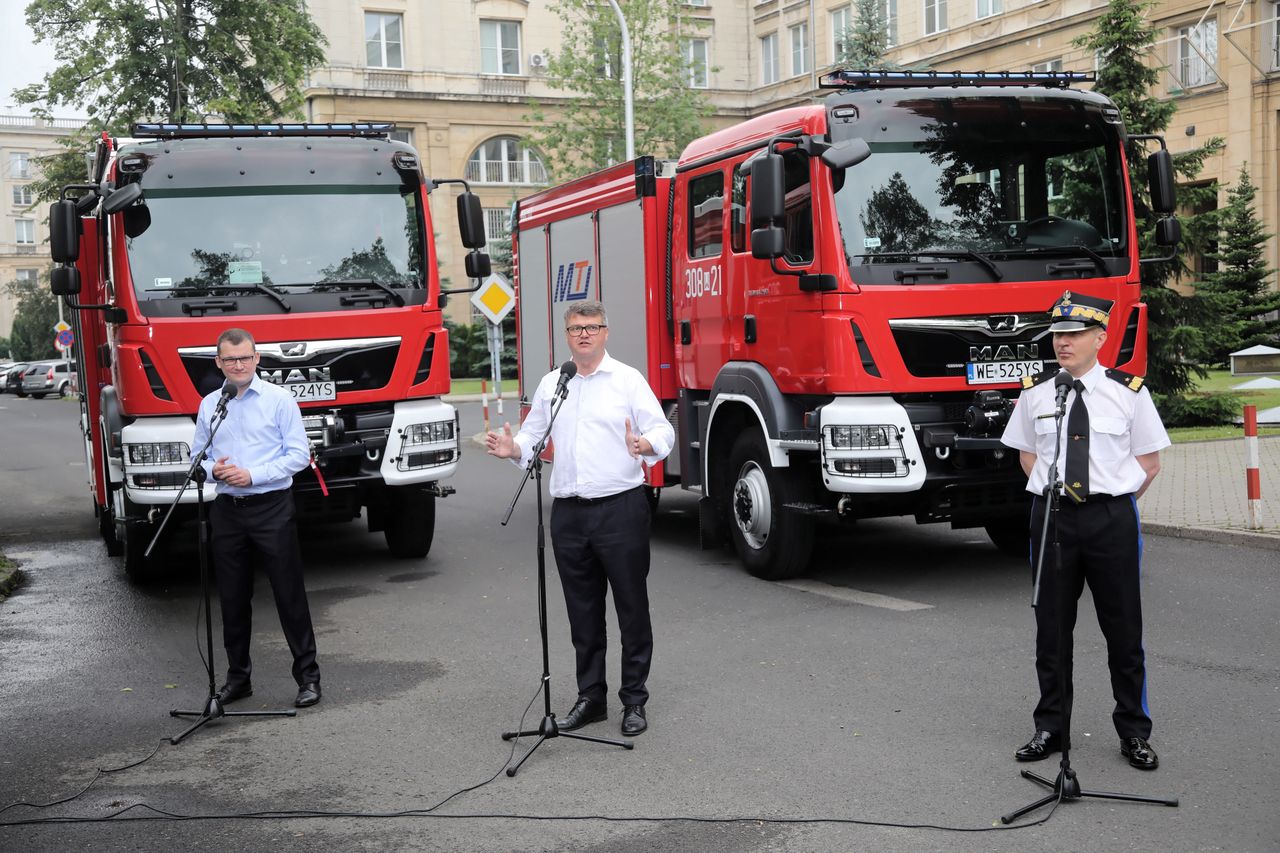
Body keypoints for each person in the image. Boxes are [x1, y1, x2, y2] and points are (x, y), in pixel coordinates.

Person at [486, 300, 674, 736]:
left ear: (606, 332)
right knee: (582, 613)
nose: (584, 334)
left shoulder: (628, 380)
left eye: (592, 327)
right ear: (566, 336)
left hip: (620, 509)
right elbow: (533, 437)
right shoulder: (555, 383)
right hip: (569, 514)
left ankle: (634, 701)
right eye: (575, 329)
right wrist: (512, 449)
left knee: (631, 608)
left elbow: (663, 430)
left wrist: (644, 446)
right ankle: (591, 698)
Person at [1000, 291, 1169, 770]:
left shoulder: (1127, 392)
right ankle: (1050, 726)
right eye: (1057, 334)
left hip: (1110, 519)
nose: (1063, 342)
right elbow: (1027, 454)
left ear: (1100, 338)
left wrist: (1109, 501)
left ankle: (1134, 732)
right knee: (1051, 629)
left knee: (1123, 630)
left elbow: (1149, 463)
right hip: (1052, 516)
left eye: (1074, 334)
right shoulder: (1036, 392)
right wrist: (1058, 497)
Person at [192, 328, 322, 709]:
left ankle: (308, 678)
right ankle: (238, 679)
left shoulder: (280, 401)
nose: (238, 365)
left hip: (272, 507)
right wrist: (214, 470)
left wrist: (254, 474)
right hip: (227, 512)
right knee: (232, 599)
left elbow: (298, 456)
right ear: (218, 363)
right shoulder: (210, 405)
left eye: (245, 358)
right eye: (230, 359)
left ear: (257, 358)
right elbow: (198, 457)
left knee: (289, 595)